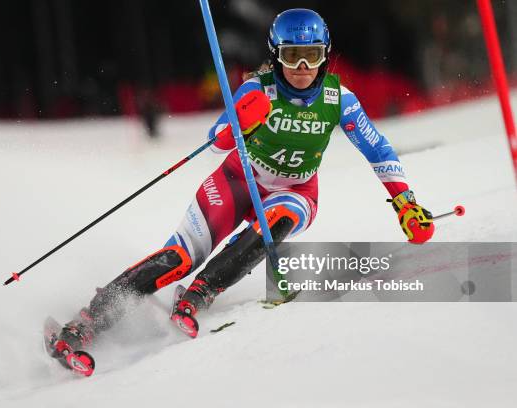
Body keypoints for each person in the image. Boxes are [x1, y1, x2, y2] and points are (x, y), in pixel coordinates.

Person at [52, 8, 435, 353]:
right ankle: (86, 323)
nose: (302, 67)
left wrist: (405, 202)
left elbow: (378, 149)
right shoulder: (258, 89)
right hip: (236, 180)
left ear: (325, 56)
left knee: (276, 221)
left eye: (313, 55)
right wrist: (240, 124)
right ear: (276, 55)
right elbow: (217, 140)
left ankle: (199, 295)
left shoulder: (340, 100)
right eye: (292, 56)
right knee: (180, 258)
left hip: (296, 190)